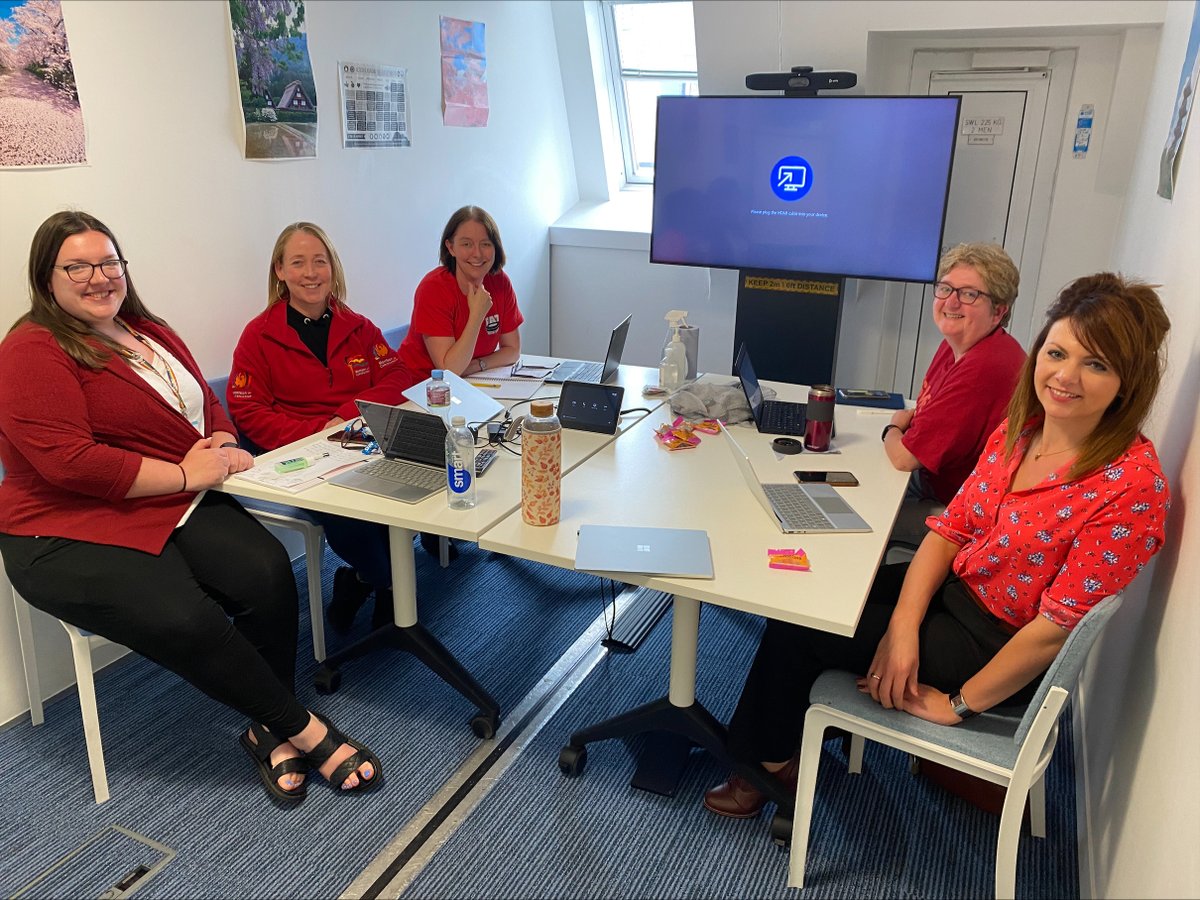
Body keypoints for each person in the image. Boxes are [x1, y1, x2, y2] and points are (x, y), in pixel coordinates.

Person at [704, 272, 1171, 819]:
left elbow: (1053, 630)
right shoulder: (1023, 431)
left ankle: (766, 767)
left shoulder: (1132, 486)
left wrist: (958, 705)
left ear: (1127, 382)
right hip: (958, 590)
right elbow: (950, 532)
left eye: (1096, 365)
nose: (1066, 376)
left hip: (995, 643)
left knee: (801, 632)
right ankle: (790, 732)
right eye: (1057, 353)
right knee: (820, 596)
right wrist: (902, 629)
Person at [0, 211, 382, 803]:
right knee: (185, 616)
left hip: (167, 498)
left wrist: (222, 440)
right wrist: (184, 473)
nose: (99, 277)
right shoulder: (32, 348)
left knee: (266, 572)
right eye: (77, 267)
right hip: (65, 524)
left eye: (109, 262)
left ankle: (266, 727)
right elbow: (70, 464)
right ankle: (303, 729)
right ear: (45, 276)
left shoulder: (147, 329)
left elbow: (206, 400)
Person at [228, 222, 417, 631]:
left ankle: (365, 581)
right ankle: (389, 585)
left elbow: (399, 375)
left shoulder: (357, 325)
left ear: (333, 267)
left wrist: (346, 416)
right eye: (298, 263)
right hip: (303, 455)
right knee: (349, 513)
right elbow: (248, 411)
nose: (311, 273)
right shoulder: (258, 336)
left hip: (361, 439)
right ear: (280, 271)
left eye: (319, 261)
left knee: (412, 488)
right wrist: (318, 432)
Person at [882, 243, 1026, 542]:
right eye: (945, 288)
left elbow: (905, 458)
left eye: (969, 294)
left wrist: (892, 428)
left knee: (861, 512)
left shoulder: (985, 367)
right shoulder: (957, 343)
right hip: (935, 482)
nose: (951, 302)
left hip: (959, 512)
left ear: (999, 311)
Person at [396, 205, 524, 382]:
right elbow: (450, 370)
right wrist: (477, 315)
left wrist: (477, 365)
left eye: (486, 244)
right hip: (421, 385)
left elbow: (512, 350)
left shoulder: (500, 282)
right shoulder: (433, 289)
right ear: (451, 247)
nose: (477, 253)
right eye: (466, 244)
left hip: (470, 380)